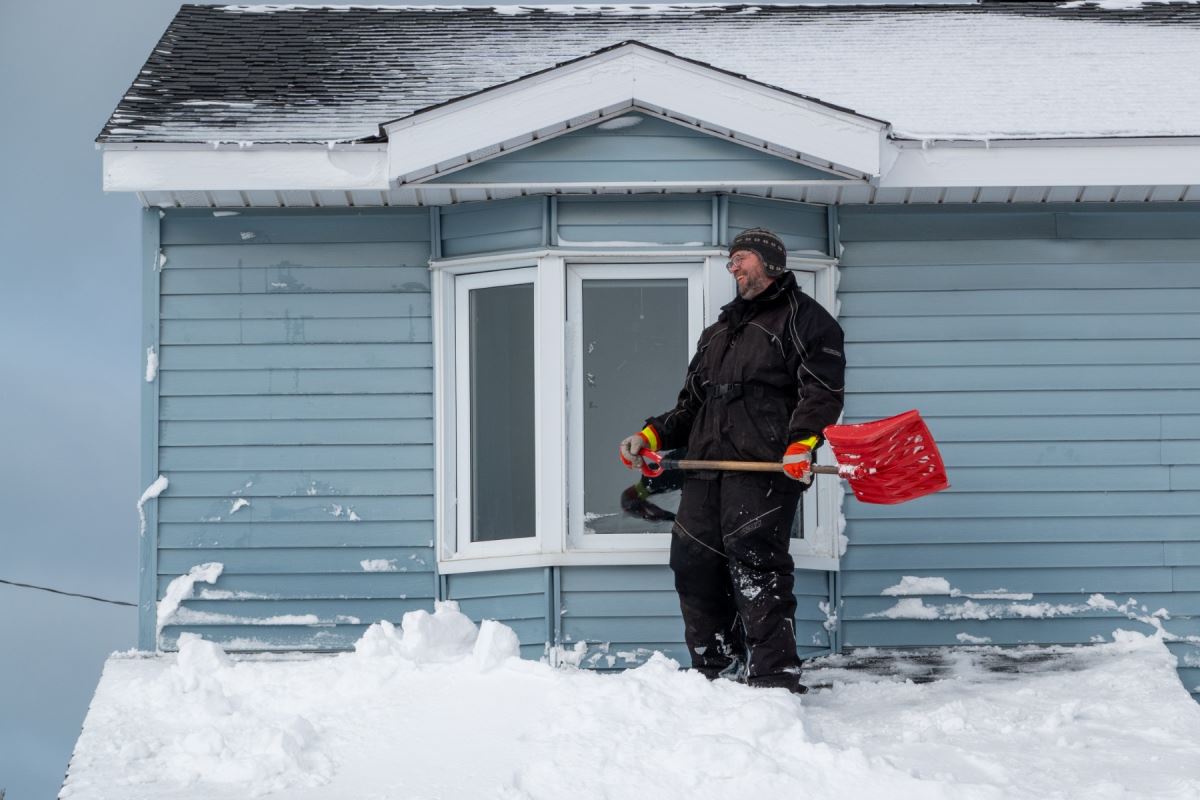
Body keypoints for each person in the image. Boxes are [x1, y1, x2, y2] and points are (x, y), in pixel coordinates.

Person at [618, 228, 846, 694]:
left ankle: (772, 677)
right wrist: (650, 434)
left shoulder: (807, 321)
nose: (733, 268)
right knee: (692, 564)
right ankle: (715, 670)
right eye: (731, 261)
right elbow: (691, 405)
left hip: (762, 470)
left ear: (768, 261)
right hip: (706, 469)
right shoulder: (717, 333)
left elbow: (821, 392)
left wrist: (802, 443)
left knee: (756, 568)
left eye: (740, 258)